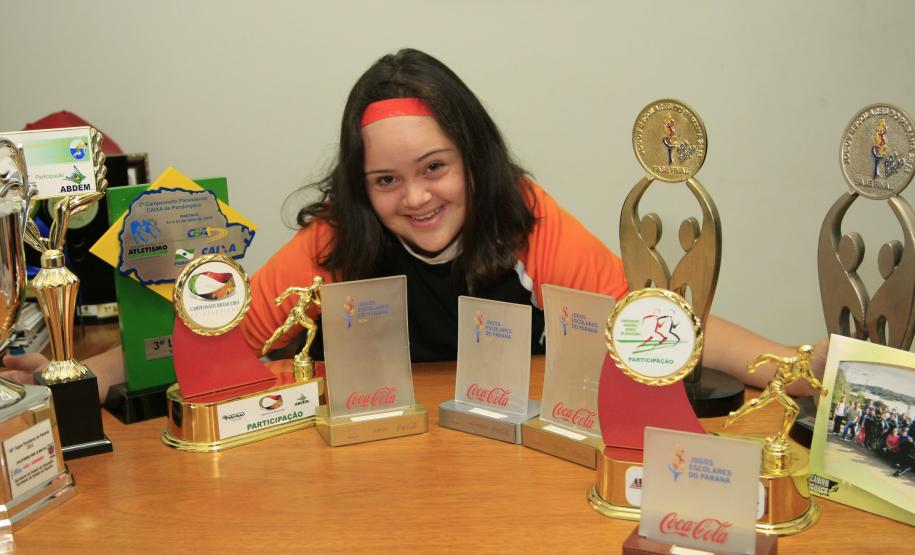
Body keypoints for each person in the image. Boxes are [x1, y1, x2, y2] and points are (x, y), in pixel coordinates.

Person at [0, 48, 827, 401]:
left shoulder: (525, 220)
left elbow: (654, 320)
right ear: (360, 190)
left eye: (435, 167)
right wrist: (81, 373)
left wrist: (797, 368)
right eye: (386, 180)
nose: (417, 198)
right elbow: (226, 332)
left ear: (474, 156)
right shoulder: (334, 242)